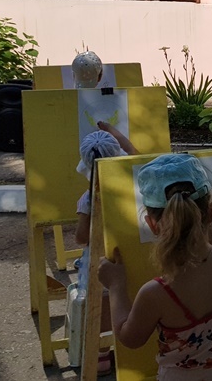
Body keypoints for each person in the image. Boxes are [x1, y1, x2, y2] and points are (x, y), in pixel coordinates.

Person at [97, 154, 212, 380]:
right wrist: (197, 217)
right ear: (211, 213)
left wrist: (116, 285)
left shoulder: (155, 294)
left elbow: (129, 338)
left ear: (152, 225)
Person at [72, 122, 138, 375]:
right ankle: (130, 353)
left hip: (101, 264)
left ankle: (100, 357)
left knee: (102, 309)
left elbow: (81, 237)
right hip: (130, 257)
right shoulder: (133, 185)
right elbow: (136, 157)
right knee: (129, 301)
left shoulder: (88, 198)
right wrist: (118, 135)